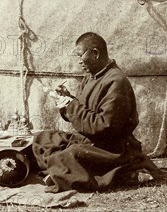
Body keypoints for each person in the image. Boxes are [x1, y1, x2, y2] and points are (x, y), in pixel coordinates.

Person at [32, 32, 157, 193]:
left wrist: (71, 106)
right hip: (92, 139)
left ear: (95, 53)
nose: (78, 62)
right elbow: (84, 111)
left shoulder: (116, 82)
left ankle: (122, 173)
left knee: (69, 154)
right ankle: (60, 170)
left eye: (80, 56)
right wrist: (66, 100)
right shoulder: (91, 77)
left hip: (112, 147)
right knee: (44, 138)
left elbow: (104, 126)